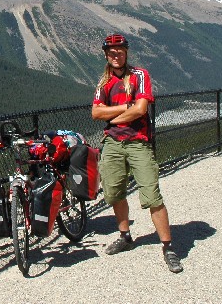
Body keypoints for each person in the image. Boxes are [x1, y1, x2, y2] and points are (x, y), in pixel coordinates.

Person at [91, 33, 183, 273]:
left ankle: (168, 246)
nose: (116, 54)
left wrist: (112, 117)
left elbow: (141, 109)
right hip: (112, 143)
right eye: (111, 51)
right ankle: (125, 236)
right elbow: (95, 113)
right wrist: (125, 108)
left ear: (126, 51)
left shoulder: (139, 75)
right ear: (105, 54)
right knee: (113, 191)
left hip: (138, 142)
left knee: (151, 194)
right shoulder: (104, 82)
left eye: (120, 50)